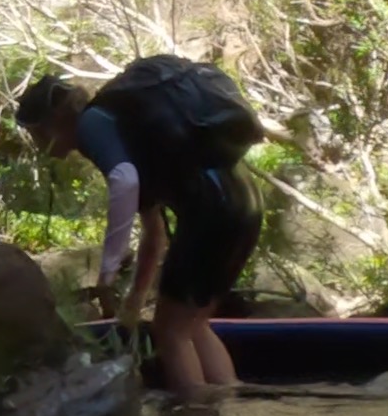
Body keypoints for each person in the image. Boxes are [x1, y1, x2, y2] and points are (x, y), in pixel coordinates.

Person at [14, 57, 262, 398]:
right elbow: (154, 235)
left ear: (51, 124)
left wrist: (108, 269)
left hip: (210, 209)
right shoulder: (135, 135)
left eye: (34, 134)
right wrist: (132, 304)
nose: (37, 145)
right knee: (193, 324)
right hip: (244, 202)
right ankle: (230, 406)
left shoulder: (93, 123)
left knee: (170, 331)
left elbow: (124, 181)